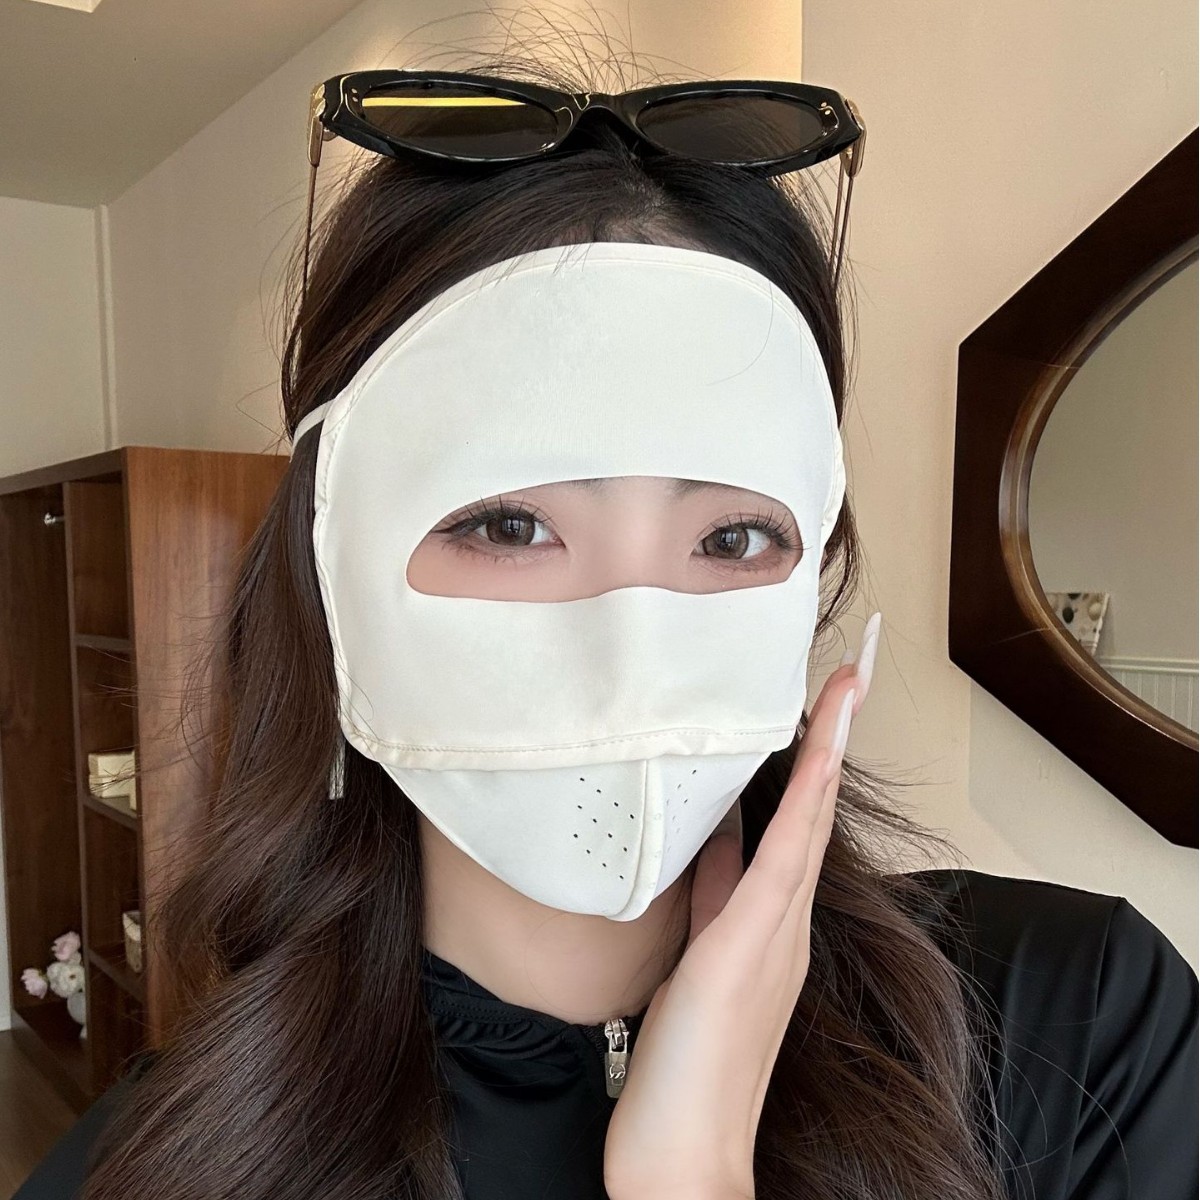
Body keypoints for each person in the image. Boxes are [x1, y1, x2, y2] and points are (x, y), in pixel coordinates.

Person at [15, 41, 1197, 1200]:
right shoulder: (168, 1168)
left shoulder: (1081, 1026)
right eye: (511, 525)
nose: (634, 647)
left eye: (732, 539)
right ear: (332, 570)